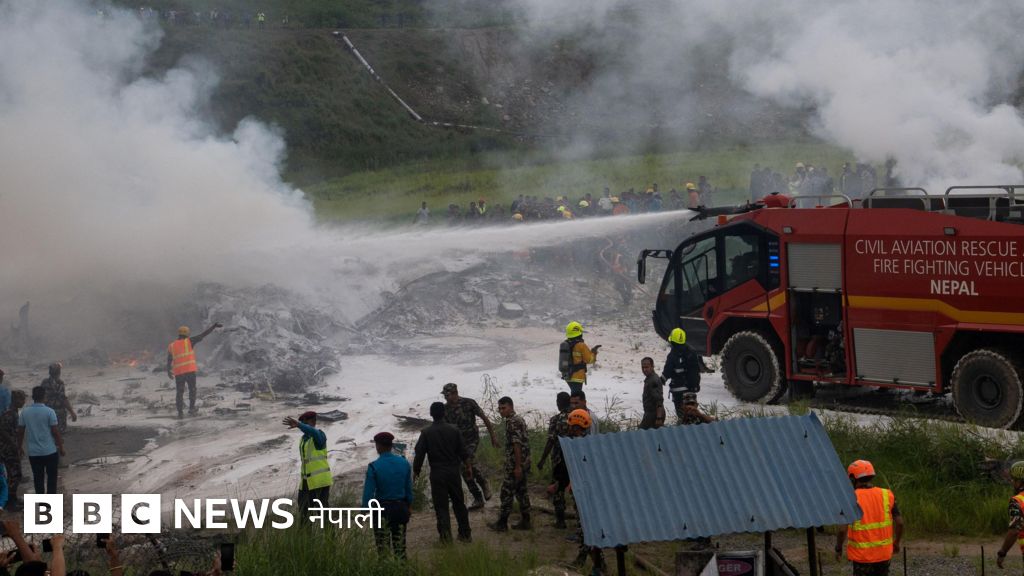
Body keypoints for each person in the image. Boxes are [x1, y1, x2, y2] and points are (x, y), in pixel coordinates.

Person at [413, 402, 472, 543]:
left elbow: (419, 454)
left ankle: (445, 538)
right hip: (453, 471)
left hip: (437, 472)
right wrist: (469, 467)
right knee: (459, 503)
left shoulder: (426, 432)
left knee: (441, 506)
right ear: (444, 413)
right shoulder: (454, 430)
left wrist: (416, 471)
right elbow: (463, 451)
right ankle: (465, 534)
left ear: (431, 414)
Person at [835, 460, 902, 576]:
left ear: (852, 479)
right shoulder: (887, 494)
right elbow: (900, 523)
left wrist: (838, 548)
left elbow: (842, 530)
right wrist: (896, 543)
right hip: (883, 555)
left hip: (862, 557)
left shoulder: (850, 499)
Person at [441, 383, 497, 510]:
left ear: (455, 393)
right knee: (463, 469)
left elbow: (484, 418)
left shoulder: (469, 403)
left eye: (447, 395)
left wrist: (493, 436)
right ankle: (478, 498)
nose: (445, 398)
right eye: (444, 395)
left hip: (471, 439)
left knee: (467, 463)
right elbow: (443, 427)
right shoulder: (445, 409)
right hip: (457, 443)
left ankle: (483, 483)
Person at [564, 409, 606, 573]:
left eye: (571, 426)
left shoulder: (583, 446)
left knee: (585, 530)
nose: (569, 429)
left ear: (575, 427)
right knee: (587, 529)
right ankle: (599, 563)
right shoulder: (587, 444)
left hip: (586, 494)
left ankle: (584, 560)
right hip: (584, 491)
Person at [362, 432, 413, 559]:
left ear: (378, 446)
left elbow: (368, 493)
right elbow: (408, 488)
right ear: (391, 446)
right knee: (400, 547)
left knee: (383, 549)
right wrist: (409, 505)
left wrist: (364, 511)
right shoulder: (403, 463)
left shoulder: (373, 467)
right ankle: (402, 572)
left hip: (381, 511)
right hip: (401, 508)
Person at [489, 397, 531, 531]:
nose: (501, 411)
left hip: (516, 464)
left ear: (511, 407)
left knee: (506, 492)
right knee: (521, 491)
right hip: (523, 462)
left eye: (504, 408)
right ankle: (526, 521)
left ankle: (502, 524)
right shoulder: (517, 420)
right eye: (499, 408)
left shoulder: (512, 422)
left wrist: (517, 467)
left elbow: (517, 444)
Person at [166, 323, 222, 419]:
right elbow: (203, 334)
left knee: (179, 392)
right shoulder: (189, 341)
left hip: (179, 373)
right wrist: (213, 326)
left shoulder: (172, 346)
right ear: (187, 333)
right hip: (189, 371)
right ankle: (191, 409)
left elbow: (169, 359)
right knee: (192, 390)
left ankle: (180, 413)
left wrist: (168, 371)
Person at [283, 411, 331, 520]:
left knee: (323, 515)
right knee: (304, 513)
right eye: (301, 423)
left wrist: (299, 425)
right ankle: (306, 536)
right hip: (306, 482)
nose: (302, 426)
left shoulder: (320, 435)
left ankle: (330, 537)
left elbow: (313, 432)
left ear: (313, 422)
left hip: (319, 482)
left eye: (304, 423)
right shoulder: (304, 439)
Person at [17, 386, 64, 495]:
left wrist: (19, 447)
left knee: (38, 479)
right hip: (50, 451)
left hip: (34, 453)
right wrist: (61, 447)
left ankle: (42, 503)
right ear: (44, 397)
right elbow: (55, 432)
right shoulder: (49, 412)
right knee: (52, 478)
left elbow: (20, 432)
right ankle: (50, 504)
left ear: (33, 397)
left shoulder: (24, 412)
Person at [537, 392, 571, 528]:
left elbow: (551, 441)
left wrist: (542, 460)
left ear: (559, 402)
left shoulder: (556, 419)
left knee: (558, 489)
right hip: (576, 459)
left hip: (559, 460)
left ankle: (560, 520)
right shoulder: (577, 416)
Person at [662, 328, 701, 425]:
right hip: (691, 390)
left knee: (682, 417)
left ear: (672, 341)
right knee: (692, 416)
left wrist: (660, 380)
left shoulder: (672, 355)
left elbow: (667, 372)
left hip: (678, 393)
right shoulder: (692, 353)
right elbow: (696, 370)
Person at [0, 390, 25, 509]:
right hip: (8, 449)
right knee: (14, 474)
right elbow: (2, 430)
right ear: (15, 400)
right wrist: (12, 444)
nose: (24, 402)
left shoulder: (13, 412)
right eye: (22, 399)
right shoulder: (10, 413)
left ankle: (13, 498)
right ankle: (10, 502)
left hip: (10, 447)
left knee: (14, 474)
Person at [997, 461, 1024, 569]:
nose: (1012, 482)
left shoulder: (1017, 501)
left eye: (1013, 479)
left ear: (1020, 481)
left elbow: (1014, 531)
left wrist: (1002, 552)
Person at [562, 322, 601, 396]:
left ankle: (572, 406)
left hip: (567, 375)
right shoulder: (581, 345)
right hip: (577, 376)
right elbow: (589, 360)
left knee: (574, 395)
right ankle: (573, 407)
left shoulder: (566, 344)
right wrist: (594, 352)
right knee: (576, 397)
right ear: (579, 332)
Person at [40, 364, 76, 434]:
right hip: (59, 413)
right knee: (59, 434)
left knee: (47, 432)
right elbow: (63, 399)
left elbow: (40, 397)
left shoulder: (45, 382)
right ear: (59, 372)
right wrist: (72, 412)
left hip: (46, 411)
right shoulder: (60, 383)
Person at [639, 357, 665, 429]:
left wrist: (659, 418)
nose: (644, 370)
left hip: (653, 414)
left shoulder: (653, 380)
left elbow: (659, 400)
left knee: (641, 434)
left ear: (652, 367)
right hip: (651, 413)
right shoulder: (650, 378)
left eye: (647, 367)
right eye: (643, 367)